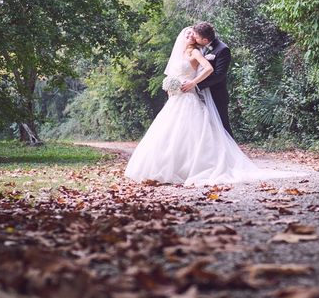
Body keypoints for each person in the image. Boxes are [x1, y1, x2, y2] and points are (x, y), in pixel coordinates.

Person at [124, 25, 297, 186]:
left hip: (199, 95)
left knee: (208, 130)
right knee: (174, 132)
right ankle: (170, 167)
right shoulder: (184, 52)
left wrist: (193, 83)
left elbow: (212, 71)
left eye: (193, 33)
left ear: (202, 39)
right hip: (179, 97)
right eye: (188, 33)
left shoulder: (206, 51)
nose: (191, 35)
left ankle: (219, 162)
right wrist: (171, 86)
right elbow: (174, 73)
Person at [181, 22, 233, 137]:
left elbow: (219, 75)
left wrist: (196, 85)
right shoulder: (198, 47)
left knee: (222, 127)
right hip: (198, 94)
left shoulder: (222, 49)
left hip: (216, 94)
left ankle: (230, 154)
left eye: (196, 36)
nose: (194, 37)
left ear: (205, 40)